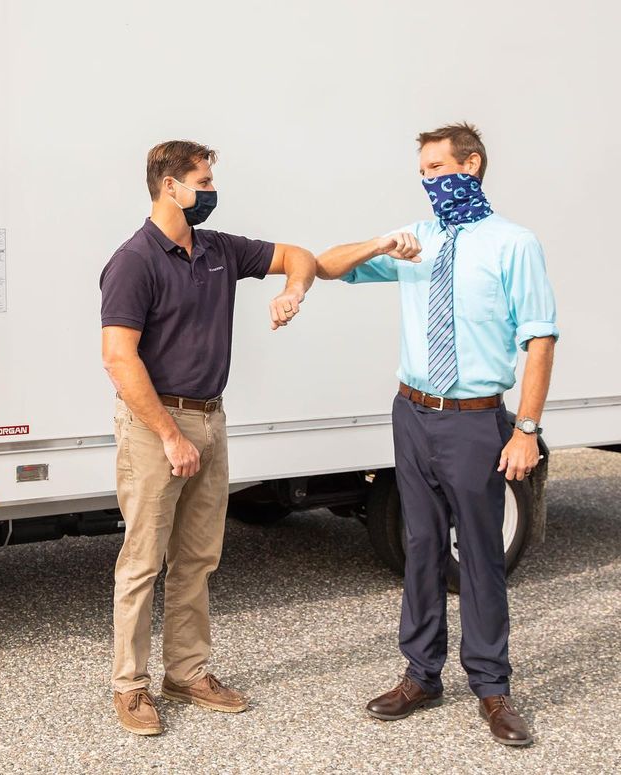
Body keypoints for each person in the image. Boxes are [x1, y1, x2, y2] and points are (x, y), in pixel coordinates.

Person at [315, 123, 558, 746]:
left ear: (470, 165)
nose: (428, 181)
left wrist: (525, 430)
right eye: (422, 172)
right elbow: (326, 266)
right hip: (413, 413)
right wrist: (380, 244)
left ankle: (493, 688)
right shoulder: (416, 239)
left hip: (476, 419)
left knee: (479, 553)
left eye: (437, 168)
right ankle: (421, 676)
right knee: (421, 545)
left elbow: (539, 339)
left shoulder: (513, 243)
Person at [100, 140, 316, 736]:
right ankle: (130, 686)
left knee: (197, 558)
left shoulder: (219, 249)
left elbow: (299, 256)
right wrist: (170, 436)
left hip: (210, 419)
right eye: (203, 181)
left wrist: (293, 290)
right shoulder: (134, 261)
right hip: (157, 427)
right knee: (142, 561)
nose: (212, 191)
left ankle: (187, 673)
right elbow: (118, 359)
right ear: (169, 186)